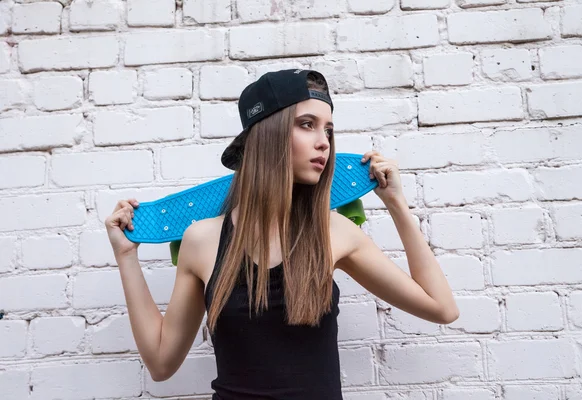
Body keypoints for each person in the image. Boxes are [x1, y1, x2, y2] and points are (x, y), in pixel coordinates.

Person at [105, 69, 459, 399]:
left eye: (329, 131)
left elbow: (442, 309)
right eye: (307, 124)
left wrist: (396, 204)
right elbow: (161, 363)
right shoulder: (202, 240)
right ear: (267, 135)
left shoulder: (333, 231)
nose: (324, 143)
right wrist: (126, 256)